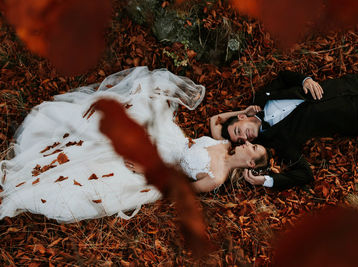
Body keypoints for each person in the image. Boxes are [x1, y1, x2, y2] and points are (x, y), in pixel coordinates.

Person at [0, 67, 268, 223]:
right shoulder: (222, 143)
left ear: (250, 163)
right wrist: (242, 110)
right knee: (125, 109)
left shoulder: (216, 177)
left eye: (253, 148)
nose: (247, 143)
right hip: (171, 139)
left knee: (99, 159)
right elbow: (215, 119)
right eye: (253, 142)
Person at [210, 67, 358, 190]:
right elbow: (305, 174)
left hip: (349, 85)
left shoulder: (262, 97)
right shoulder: (279, 141)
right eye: (242, 141)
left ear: (242, 117)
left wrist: (305, 80)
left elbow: (283, 76)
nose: (246, 137)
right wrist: (268, 181)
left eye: (238, 131)